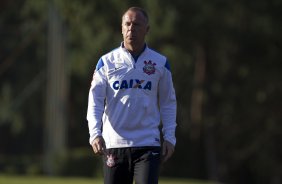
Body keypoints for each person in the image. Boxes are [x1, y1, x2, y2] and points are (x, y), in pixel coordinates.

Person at [87, 7, 177, 184]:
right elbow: (95, 101)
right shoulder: (106, 62)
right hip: (114, 143)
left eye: (136, 24)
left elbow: (168, 103)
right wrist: (95, 134)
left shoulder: (160, 63)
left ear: (147, 30)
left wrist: (169, 137)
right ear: (121, 27)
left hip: (148, 143)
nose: (131, 29)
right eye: (127, 24)